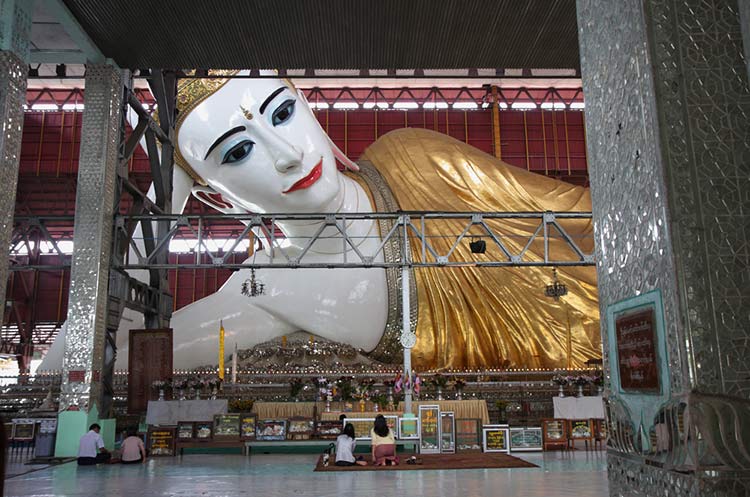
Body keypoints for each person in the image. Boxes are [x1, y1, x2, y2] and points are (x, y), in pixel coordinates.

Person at [40, 73, 600, 372]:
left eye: (285, 114)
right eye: (237, 154)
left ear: (310, 110)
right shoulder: (269, 289)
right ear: (219, 195)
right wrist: (176, 183)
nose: (286, 153)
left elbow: (578, 216)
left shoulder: (414, 157)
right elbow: (71, 363)